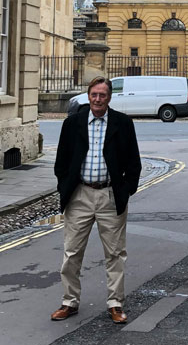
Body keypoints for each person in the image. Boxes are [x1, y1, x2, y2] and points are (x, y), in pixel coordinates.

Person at [51, 76, 142, 324]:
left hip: (110, 195)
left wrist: (125, 190)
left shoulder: (122, 123)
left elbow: (134, 163)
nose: (98, 99)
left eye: (103, 95)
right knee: (71, 253)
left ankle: (115, 304)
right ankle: (69, 302)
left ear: (109, 97)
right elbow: (61, 162)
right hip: (79, 194)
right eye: (94, 95)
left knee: (115, 254)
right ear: (88, 96)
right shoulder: (73, 123)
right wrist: (65, 188)